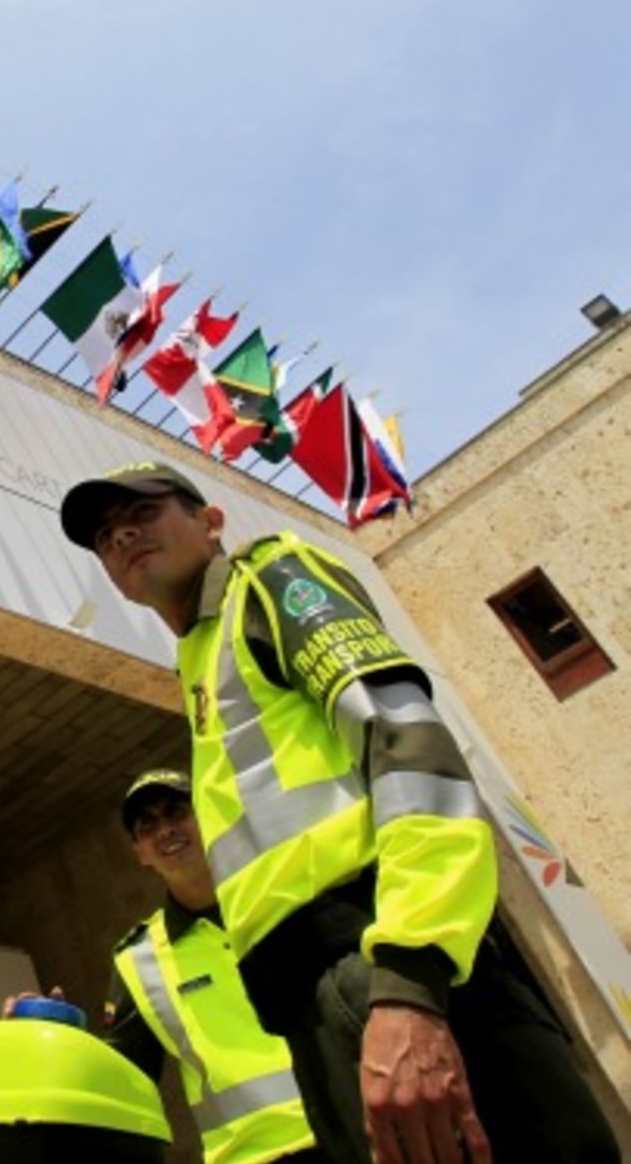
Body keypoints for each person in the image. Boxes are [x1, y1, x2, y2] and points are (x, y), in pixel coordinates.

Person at [59, 461, 618, 1164]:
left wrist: (409, 985)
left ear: (210, 521)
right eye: (104, 534)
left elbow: (410, 748)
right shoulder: (202, 659)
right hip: (324, 1007)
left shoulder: (270, 579)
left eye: (144, 511)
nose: (122, 535)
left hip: (382, 969)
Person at [106, 768, 326, 1164]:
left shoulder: (284, 895)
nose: (165, 830)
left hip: (362, 1129)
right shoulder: (137, 961)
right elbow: (120, 1086)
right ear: (139, 852)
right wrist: (51, 1039)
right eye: (147, 825)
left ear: (208, 813)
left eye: (176, 812)